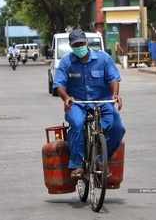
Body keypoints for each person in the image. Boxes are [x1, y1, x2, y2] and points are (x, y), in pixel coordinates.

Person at [53, 29, 126, 179]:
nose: (79, 47)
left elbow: (113, 78)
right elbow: (59, 83)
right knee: (78, 125)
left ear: (86, 42)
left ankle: (101, 158)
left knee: (118, 128)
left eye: (81, 43)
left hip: (102, 101)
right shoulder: (66, 62)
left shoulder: (103, 58)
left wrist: (115, 95)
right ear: (71, 46)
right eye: (76, 45)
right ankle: (77, 164)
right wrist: (66, 97)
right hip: (77, 103)